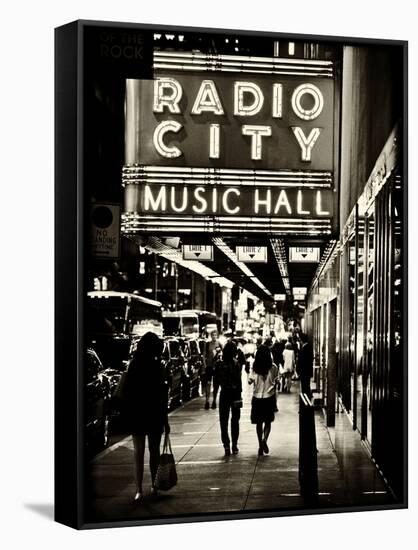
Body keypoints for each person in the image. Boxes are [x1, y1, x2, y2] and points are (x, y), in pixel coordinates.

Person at [123, 332, 170, 502]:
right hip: (154, 413)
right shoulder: (158, 366)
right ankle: (154, 486)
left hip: (137, 413)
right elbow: (162, 396)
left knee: (138, 452)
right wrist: (165, 420)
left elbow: (127, 391)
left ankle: (138, 490)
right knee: (154, 451)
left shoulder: (134, 365)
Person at [248, 344, 279, 456]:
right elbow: (277, 380)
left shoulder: (255, 367)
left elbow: (249, 381)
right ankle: (264, 440)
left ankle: (260, 445)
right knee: (268, 421)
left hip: (257, 398)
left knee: (258, 423)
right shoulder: (274, 367)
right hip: (269, 398)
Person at [216, 341, 243, 456]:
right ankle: (234, 445)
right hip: (235, 394)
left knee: (224, 421)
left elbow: (216, 381)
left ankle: (226, 444)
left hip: (224, 394)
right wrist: (239, 395)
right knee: (235, 421)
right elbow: (239, 381)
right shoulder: (236, 363)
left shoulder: (219, 364)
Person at [204, 330, 222, 409]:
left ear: (217, 336)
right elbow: (204, 355)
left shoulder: (220, 344)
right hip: (209, 367)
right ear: (211, 336)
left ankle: (214, 401)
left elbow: (223, 355)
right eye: (213, 335)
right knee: (208, 383)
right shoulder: (207, 344)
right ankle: (207, 401)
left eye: (215, 335)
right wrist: (205, 365)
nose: (214, 336)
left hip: (217, 368)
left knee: (216, 385)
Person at [297, 333, 314, 398]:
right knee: (306, 386)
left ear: (301, 340)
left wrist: (299, 370)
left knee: (305, 387)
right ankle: (307, 398)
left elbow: (303, 361)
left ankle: (306, 400)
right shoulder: (308, 347)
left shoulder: (305, 348)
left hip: (305, 371)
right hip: (307, 371)